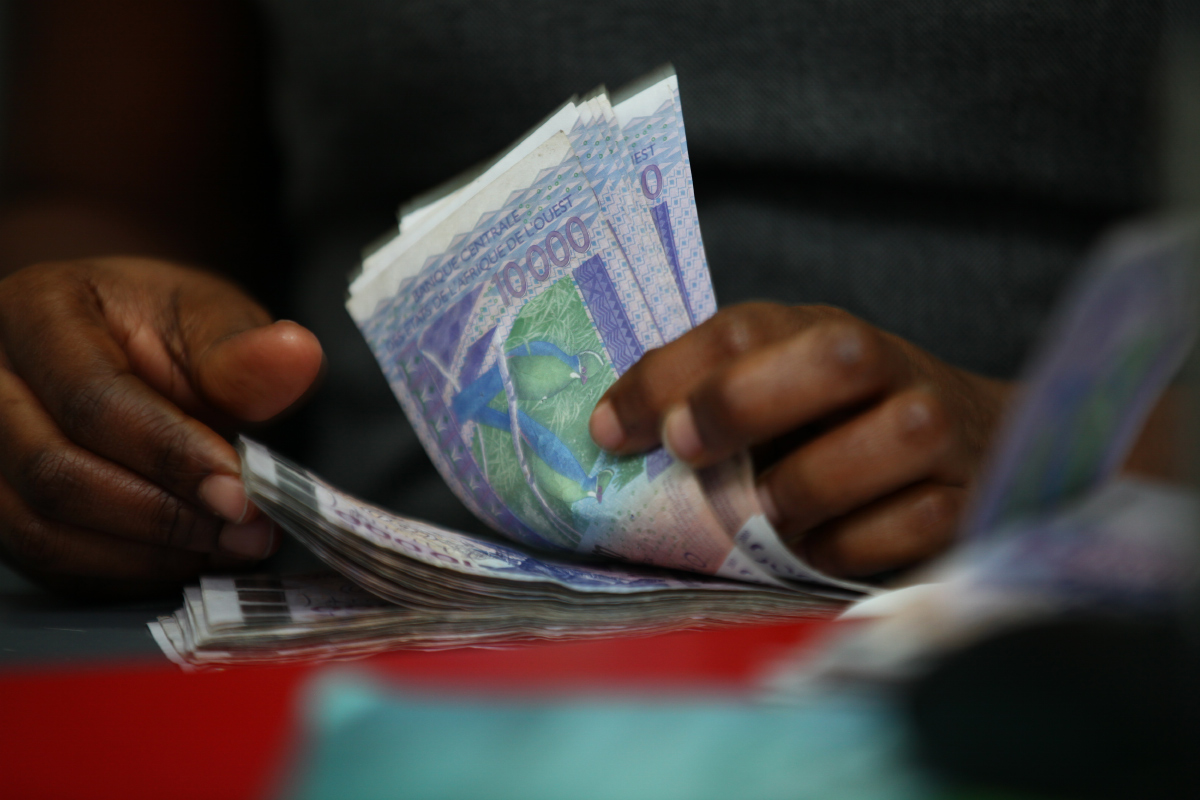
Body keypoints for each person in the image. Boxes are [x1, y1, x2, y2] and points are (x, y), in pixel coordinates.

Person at [0, 1, 1169, 597]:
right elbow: (93, 194)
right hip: (388, 624)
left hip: (1067, 622)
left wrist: (1073, 445)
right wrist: (96, 370)